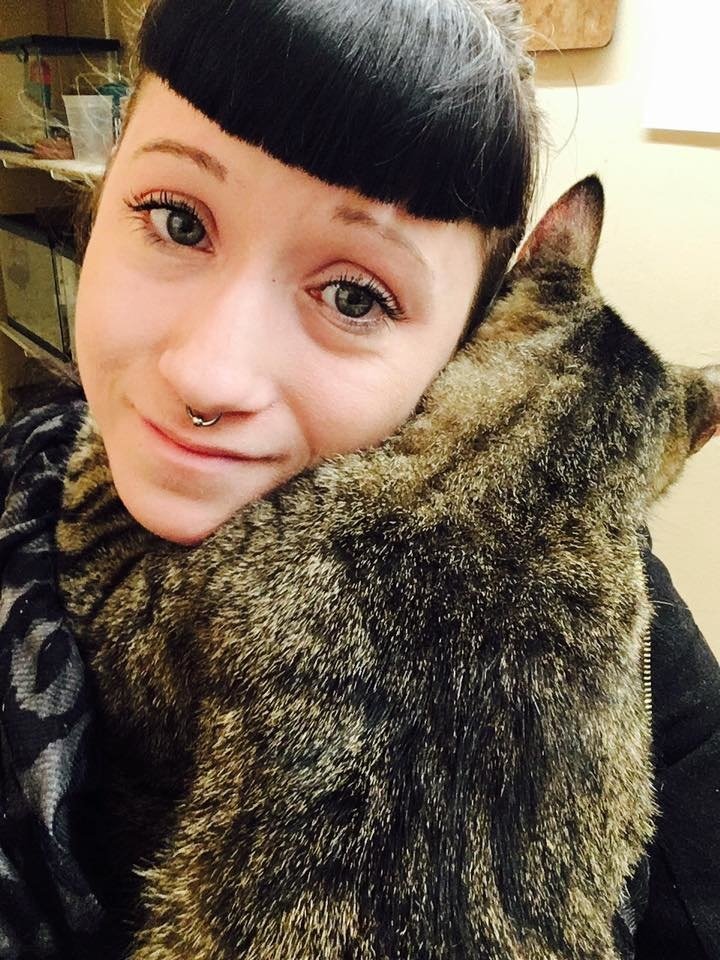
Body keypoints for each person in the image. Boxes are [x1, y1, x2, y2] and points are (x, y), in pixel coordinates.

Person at [0, 0, 717, 957]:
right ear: (102, 191)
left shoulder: (643, 678)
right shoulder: (29, 460)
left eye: (354, 295)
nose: (207, 376)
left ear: (467, 339)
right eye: (176, 218)